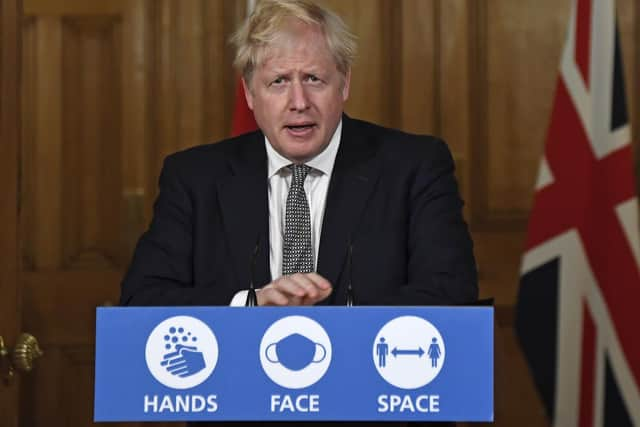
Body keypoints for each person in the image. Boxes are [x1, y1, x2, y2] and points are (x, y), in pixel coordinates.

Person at [121, 1, 476, 424]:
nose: (298, 101)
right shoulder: (196, 177)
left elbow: (450, 295)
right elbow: (142, 305)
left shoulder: (414, 167)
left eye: (313, 79)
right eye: (278, 82)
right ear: (250, 93)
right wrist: (250, 307)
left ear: (344, 84)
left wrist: (326, 336)